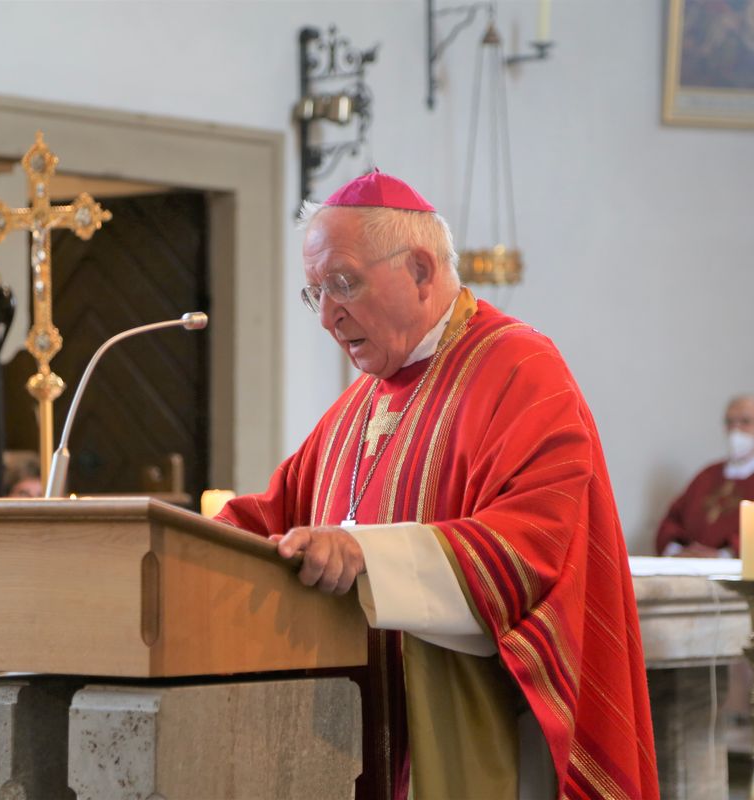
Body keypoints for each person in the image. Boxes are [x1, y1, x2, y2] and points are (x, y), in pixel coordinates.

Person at [216, 171, 658, 799]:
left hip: (472, 736)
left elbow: (536, 546)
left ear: (422, 270)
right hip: (353, 737)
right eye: (316, 294)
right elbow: (269, 517)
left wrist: (367, 553)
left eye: (343, 284)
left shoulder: (521, 370)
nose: (329, 317)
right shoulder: (358, 406)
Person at [655, 394, 754, 559]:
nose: (736, 429)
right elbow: (672, 521)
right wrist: (679, 551)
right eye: (730, 422)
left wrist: (725, 554)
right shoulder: (707, 475)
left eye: (745, 422)